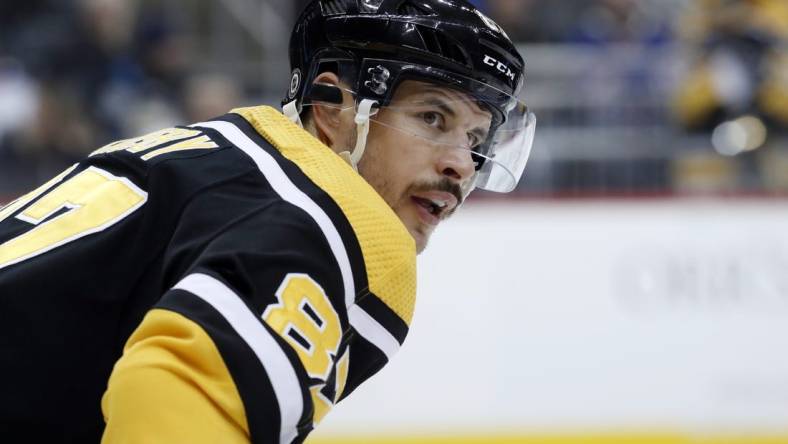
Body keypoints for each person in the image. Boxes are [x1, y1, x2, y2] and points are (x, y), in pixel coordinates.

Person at [0, 0, 535, 442]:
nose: (461, 164)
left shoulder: (217, 159)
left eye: (474, 138)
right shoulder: (333, 214)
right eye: (432, 118)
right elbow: (172, 395)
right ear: (333, 108)